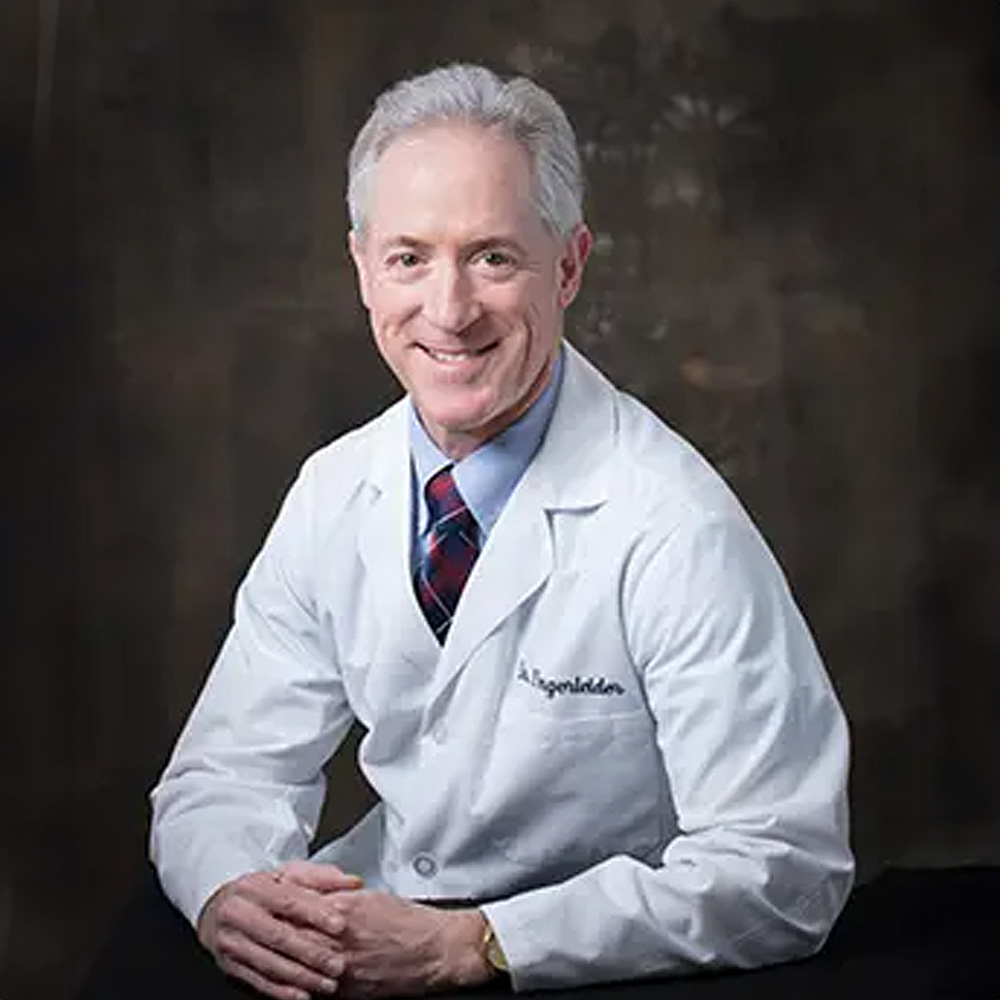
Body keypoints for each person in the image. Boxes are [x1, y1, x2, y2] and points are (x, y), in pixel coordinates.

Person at [149, 63, 854, 999]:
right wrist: (232, 890)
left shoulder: (672, 523)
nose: (448, 311)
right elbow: (222, 777)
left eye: (492, 257)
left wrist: (474, 944)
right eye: (409, 257)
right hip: (374, 937)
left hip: (609, 971)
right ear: (361, 267)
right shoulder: (334, 491)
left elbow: (789, 869)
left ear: (568, 267)